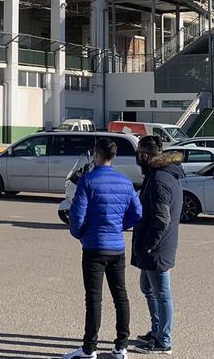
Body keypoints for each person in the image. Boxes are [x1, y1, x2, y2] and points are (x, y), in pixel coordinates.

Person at [63, 137, 143, 359]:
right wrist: (120, 225)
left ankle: (90, 348)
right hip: (116, 247)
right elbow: (137, 212)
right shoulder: (125, 182)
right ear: (113, 156)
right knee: (121, 296)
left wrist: (80, 234)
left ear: (97, 155)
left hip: (94, 248)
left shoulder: (87, 181)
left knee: (94, 298)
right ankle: (121, 346)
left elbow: (77, 217)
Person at [131, 135, 184, 355]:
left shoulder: (160, 179)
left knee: (162, 293)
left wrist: (150, 244)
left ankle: (164, 340)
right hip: (152, 248)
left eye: (139, 155)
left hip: (157, 249)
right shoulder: (158, 176)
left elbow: (162, 219)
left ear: (144, 155)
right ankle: (156, 331)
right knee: (148, 289)